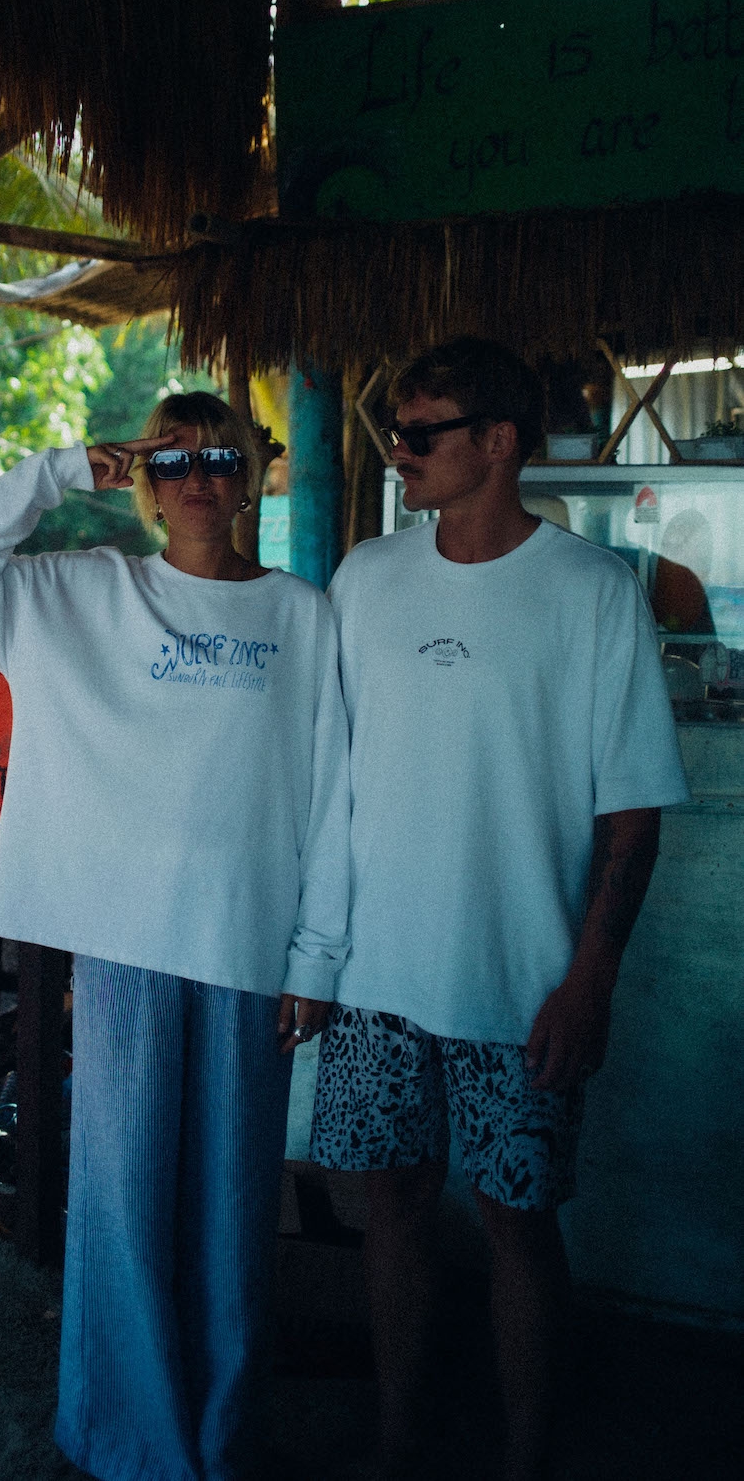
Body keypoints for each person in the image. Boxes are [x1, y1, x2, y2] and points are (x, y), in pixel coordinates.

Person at [0, 389, 352, 1481]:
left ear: (251, 474)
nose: (196, 476)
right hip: (123, 944)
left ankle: (218, 1435)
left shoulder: (303, 613)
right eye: (170, 460)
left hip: (248, 948)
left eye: (219, 456)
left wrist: (317, 955)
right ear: (144, 484)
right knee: (121, 1197)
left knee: (230, 1209)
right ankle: (126, 1439)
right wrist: (70, 467)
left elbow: (336, 793)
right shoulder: (79, 597)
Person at [309, 337, 689, 1481]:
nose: (399, 450)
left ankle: (526, 1456)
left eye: (422, 433)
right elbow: (326, 781)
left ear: (500, 442)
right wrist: (310, 954)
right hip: (375, 971)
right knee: (391, 1202)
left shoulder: (588, 593)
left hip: (521, 982)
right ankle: (395, 1433)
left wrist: (587, 981)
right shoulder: (365, 578)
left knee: (519, 1219)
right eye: (395, 431)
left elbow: (632, 814)